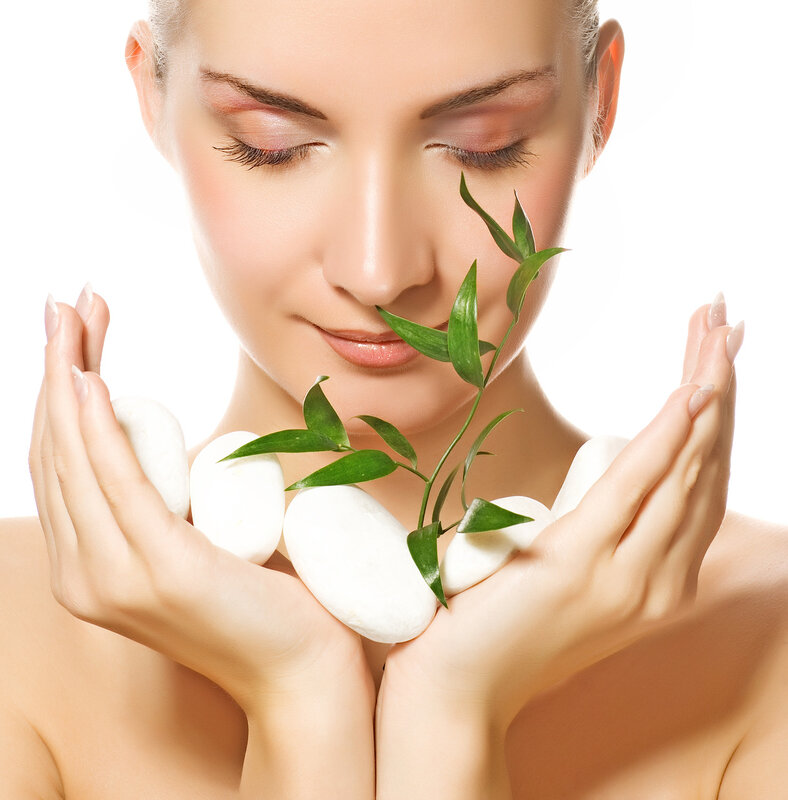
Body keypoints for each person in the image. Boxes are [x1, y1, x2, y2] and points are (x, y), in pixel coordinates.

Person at [2, 0, 787, 797]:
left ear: (600, 105)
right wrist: (300, 692)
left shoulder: (769, 648)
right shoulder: (16, 645)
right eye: (272, 147)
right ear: (152, 100)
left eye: (484, 147)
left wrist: (452, 710)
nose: (379, 271)